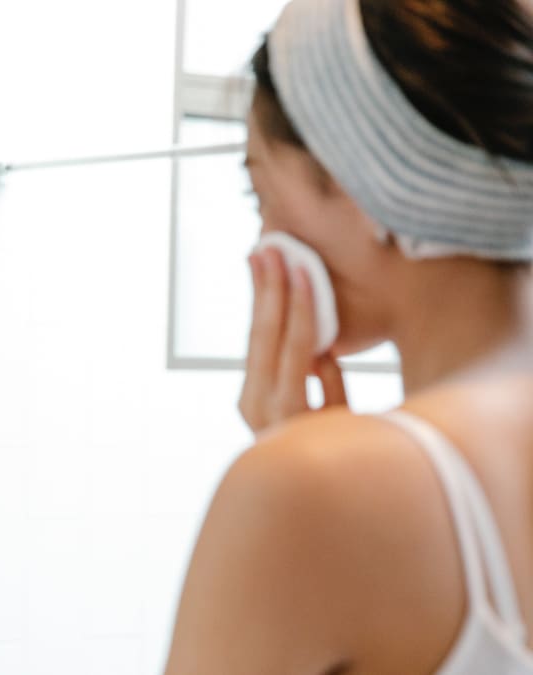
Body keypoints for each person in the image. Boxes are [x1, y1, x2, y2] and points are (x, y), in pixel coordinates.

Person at [165, 0, 533, 672]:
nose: (263, 239)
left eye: (261, 192)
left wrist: (297, 470)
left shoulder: (307, 488)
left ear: (365, 173)